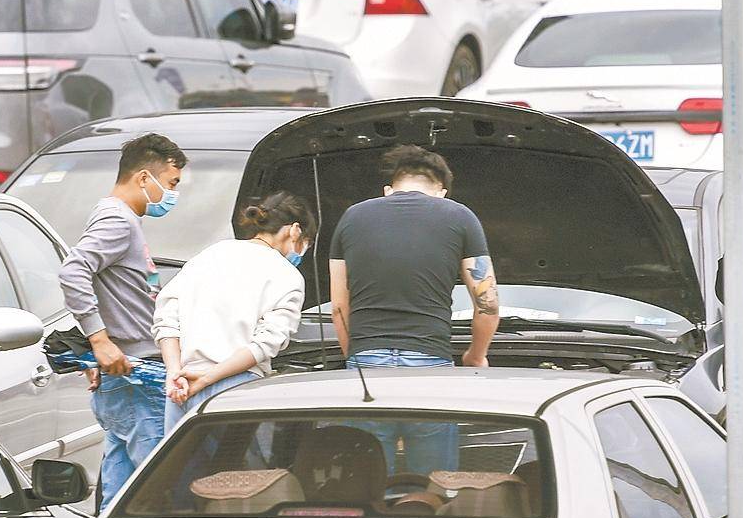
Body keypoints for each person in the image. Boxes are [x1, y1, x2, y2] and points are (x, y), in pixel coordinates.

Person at [327, 144, 498, 473]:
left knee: (366, 483)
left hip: (366, 365)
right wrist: (475, 357)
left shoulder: (353, 216)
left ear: (388, 190)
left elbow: (338, 307)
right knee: (433, 483)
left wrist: (356, 356)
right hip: (430, 366)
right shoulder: (459, 215)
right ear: (442, 192)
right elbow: (487, 304)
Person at [58, 132, 187, 506]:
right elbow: (74, 271)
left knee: (121, 488)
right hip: (135, 374)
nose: (173, 195)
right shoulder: (117, 219)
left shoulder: (121, 217)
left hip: (127, 373)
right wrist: (100, 341)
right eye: (171, 183)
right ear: (144, 178)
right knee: (156, 488)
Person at [155, 191, 313, 433]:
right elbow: (265, 344)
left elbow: (166, 316)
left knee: (183, 471)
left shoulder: (210, 255)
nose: (302, 250)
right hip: (238, 391)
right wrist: (207, 379)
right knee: (238, 471)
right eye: (306, 242)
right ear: (294, 230)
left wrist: (173, 371)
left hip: (182, 387)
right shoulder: (287, 276)